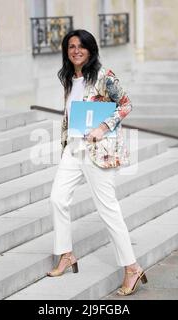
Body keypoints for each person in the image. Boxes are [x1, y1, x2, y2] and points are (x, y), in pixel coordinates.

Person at [46, 29, 147, 296]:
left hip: (97, 150)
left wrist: (103, 127)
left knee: (108, 210)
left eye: (81, 46)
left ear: (91, 50)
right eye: (71, 46)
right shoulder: (69, 78)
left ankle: (132, 268)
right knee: (57, 198)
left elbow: (125, 104)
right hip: (73, 149)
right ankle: (66, 254)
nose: (76, 50)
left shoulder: (104, 75)